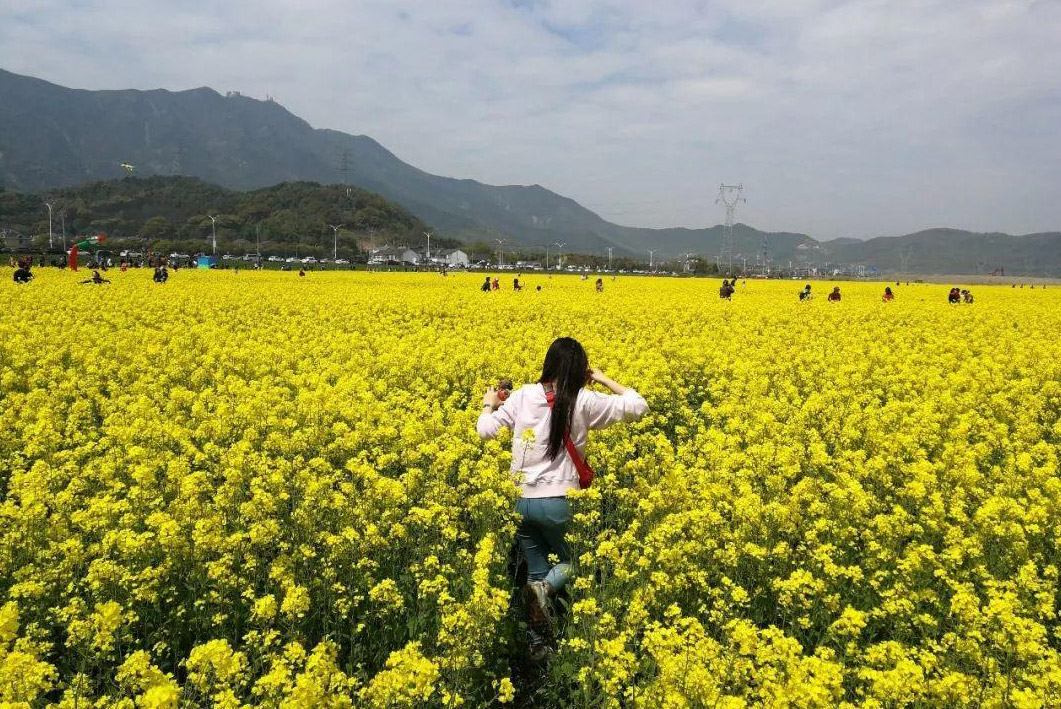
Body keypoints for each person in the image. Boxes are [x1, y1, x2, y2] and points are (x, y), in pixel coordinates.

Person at [477, 338, 648, 660]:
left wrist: (490, 403)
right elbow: (638, 406)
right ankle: (546, 595)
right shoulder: (584, 399)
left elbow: (486, 430)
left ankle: (537, 642)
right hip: (560, 501)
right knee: (579, 562)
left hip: (522, 501)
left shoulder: (523, 395)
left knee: (536, 572)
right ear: (580, 369)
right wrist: (602, 378)